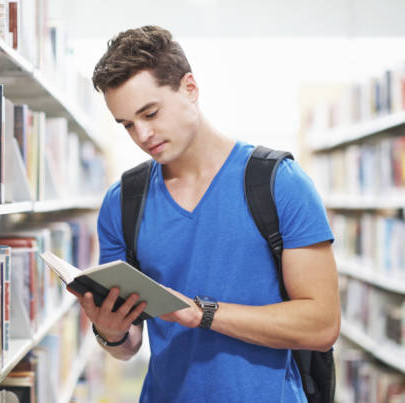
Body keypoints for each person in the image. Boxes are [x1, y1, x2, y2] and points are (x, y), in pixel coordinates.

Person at [67, 25, 340, 402]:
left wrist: (202, 313)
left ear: (190, 89)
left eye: (150, 113)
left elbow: (322, 325)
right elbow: (128, 345)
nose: (142, 134)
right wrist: (111, 332)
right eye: (127, 124)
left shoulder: (278, 183)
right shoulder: (124, 201)